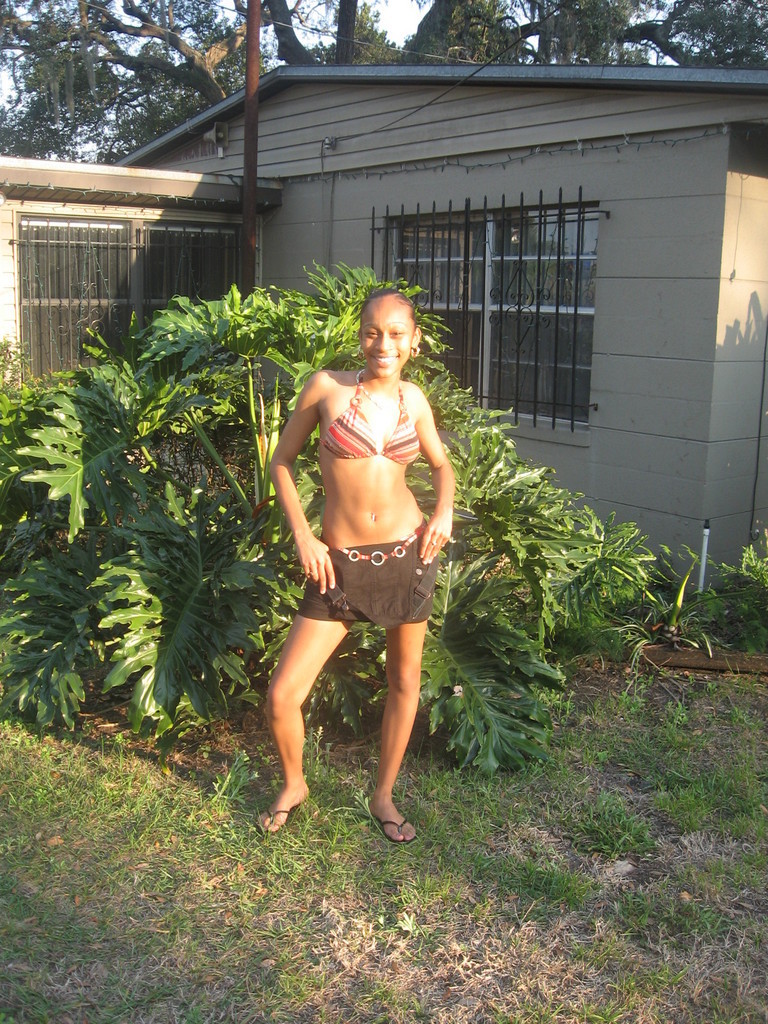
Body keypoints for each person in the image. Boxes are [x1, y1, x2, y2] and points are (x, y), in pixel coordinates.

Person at [260, 288, 455, 843]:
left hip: (408, 557)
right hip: (337, 565)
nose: (382, 344)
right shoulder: (326, 388)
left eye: (396, 334)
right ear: (360, 335)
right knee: (282, 695)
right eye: (372, 332)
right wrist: (304, 535)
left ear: (414, 341)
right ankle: (294, 784)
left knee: (404, 682)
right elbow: (281, 461)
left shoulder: (415, 401)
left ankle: (383, 795)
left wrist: (443, 510)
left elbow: (441, 466)